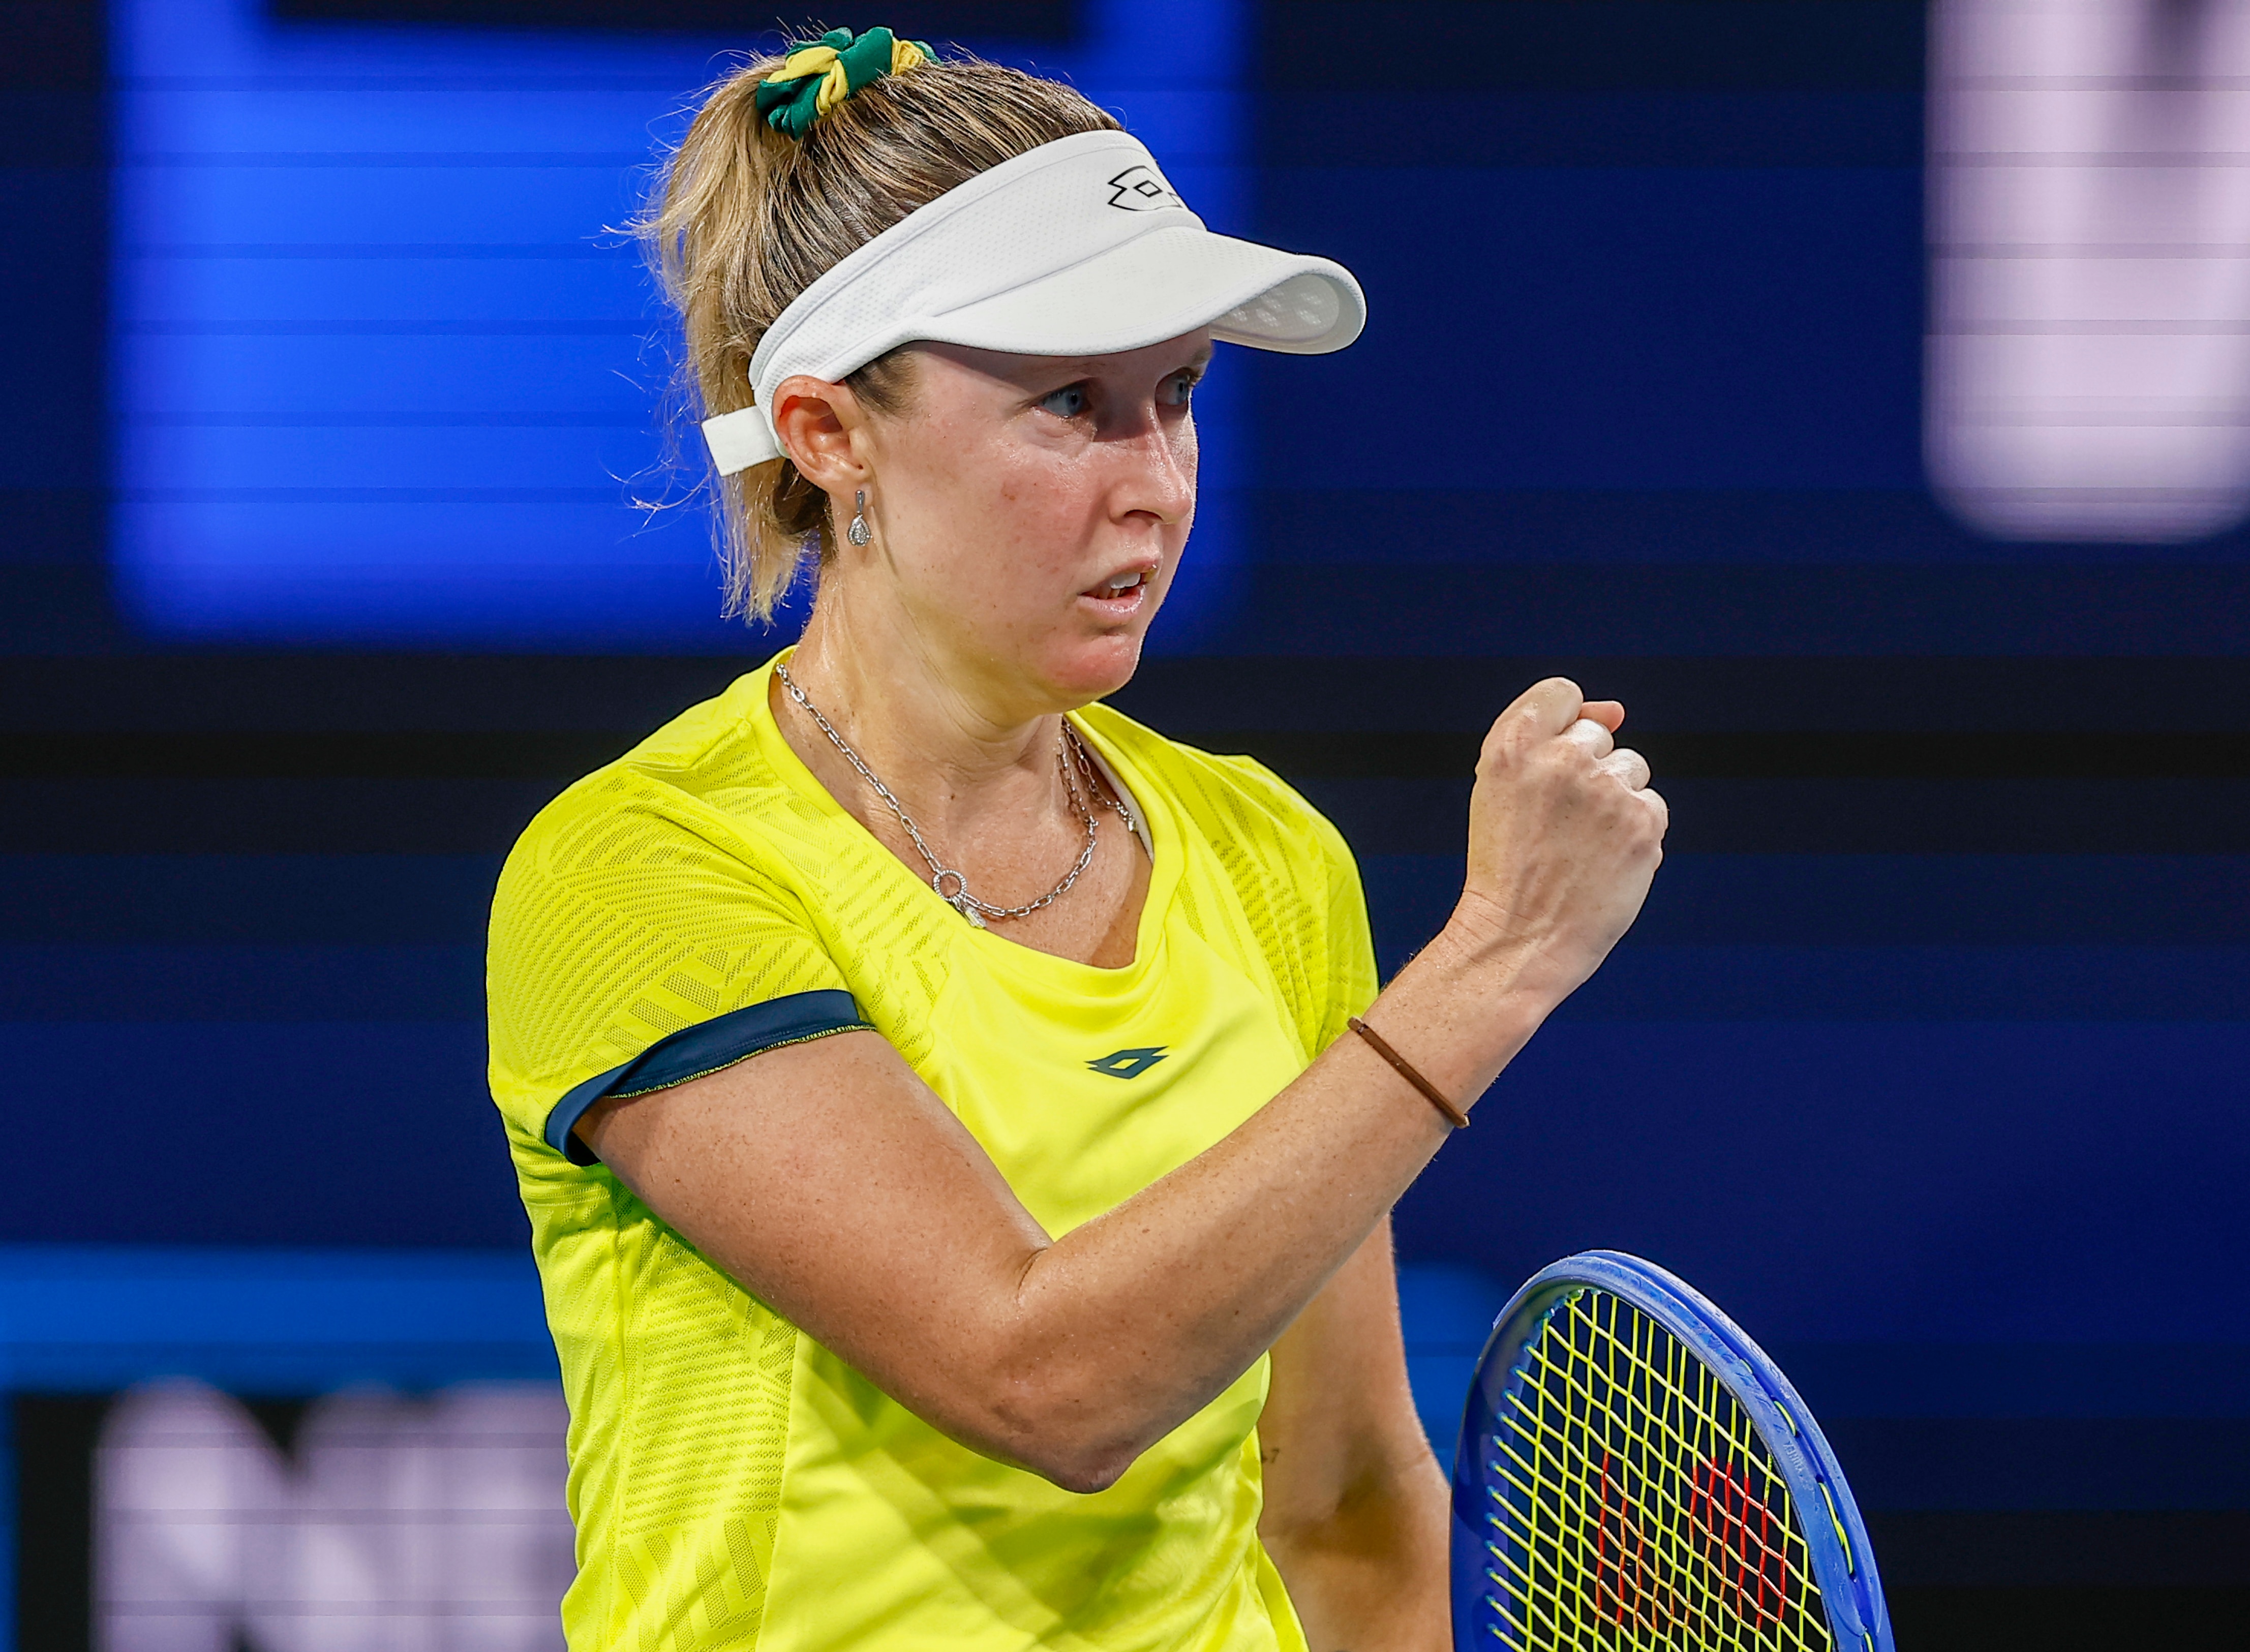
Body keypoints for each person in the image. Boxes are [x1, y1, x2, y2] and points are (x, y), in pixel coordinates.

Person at [483, 25, 1667, 1652]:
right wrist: (1500, 959)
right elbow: (1038, 1378)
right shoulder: (641, 868)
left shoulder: (1265, 853)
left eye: (1174, 397)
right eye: (1068, 405)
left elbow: (1337, 1493)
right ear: (827, 434)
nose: (1157, 483)